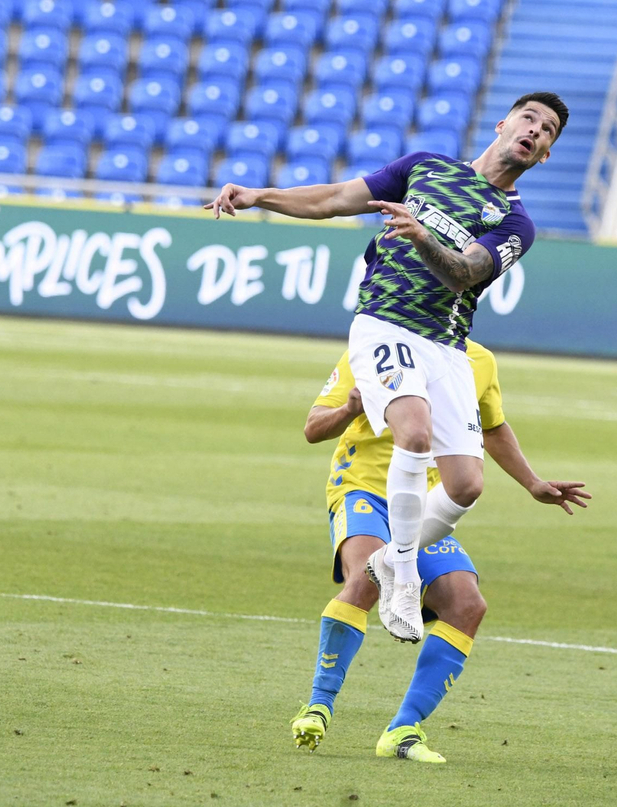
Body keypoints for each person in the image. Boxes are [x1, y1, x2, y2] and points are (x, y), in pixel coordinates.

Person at [208, 92, 569, 642]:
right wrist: (261, 196)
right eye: (529, 118)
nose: (536, 130)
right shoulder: (425, 167)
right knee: (414, 434)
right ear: (503, 124)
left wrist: (422, 236)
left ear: (544, 155)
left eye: (547, 131)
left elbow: (465, 273)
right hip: (385, 322)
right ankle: (401, 578)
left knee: (466, 485)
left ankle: (388, 562)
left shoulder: (516, 224)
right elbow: (335, 198)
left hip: (446, 344)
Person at [290, 340, 589, 763]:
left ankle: (403, 729)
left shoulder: (479, 361)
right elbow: (313, 427)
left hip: (421, 505)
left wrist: (532, 482)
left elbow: (492, 429)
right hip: (363, 489)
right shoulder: (378, 345)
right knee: (368, 577)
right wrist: (349, 409)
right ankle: (318, 706)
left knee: (467, 604)